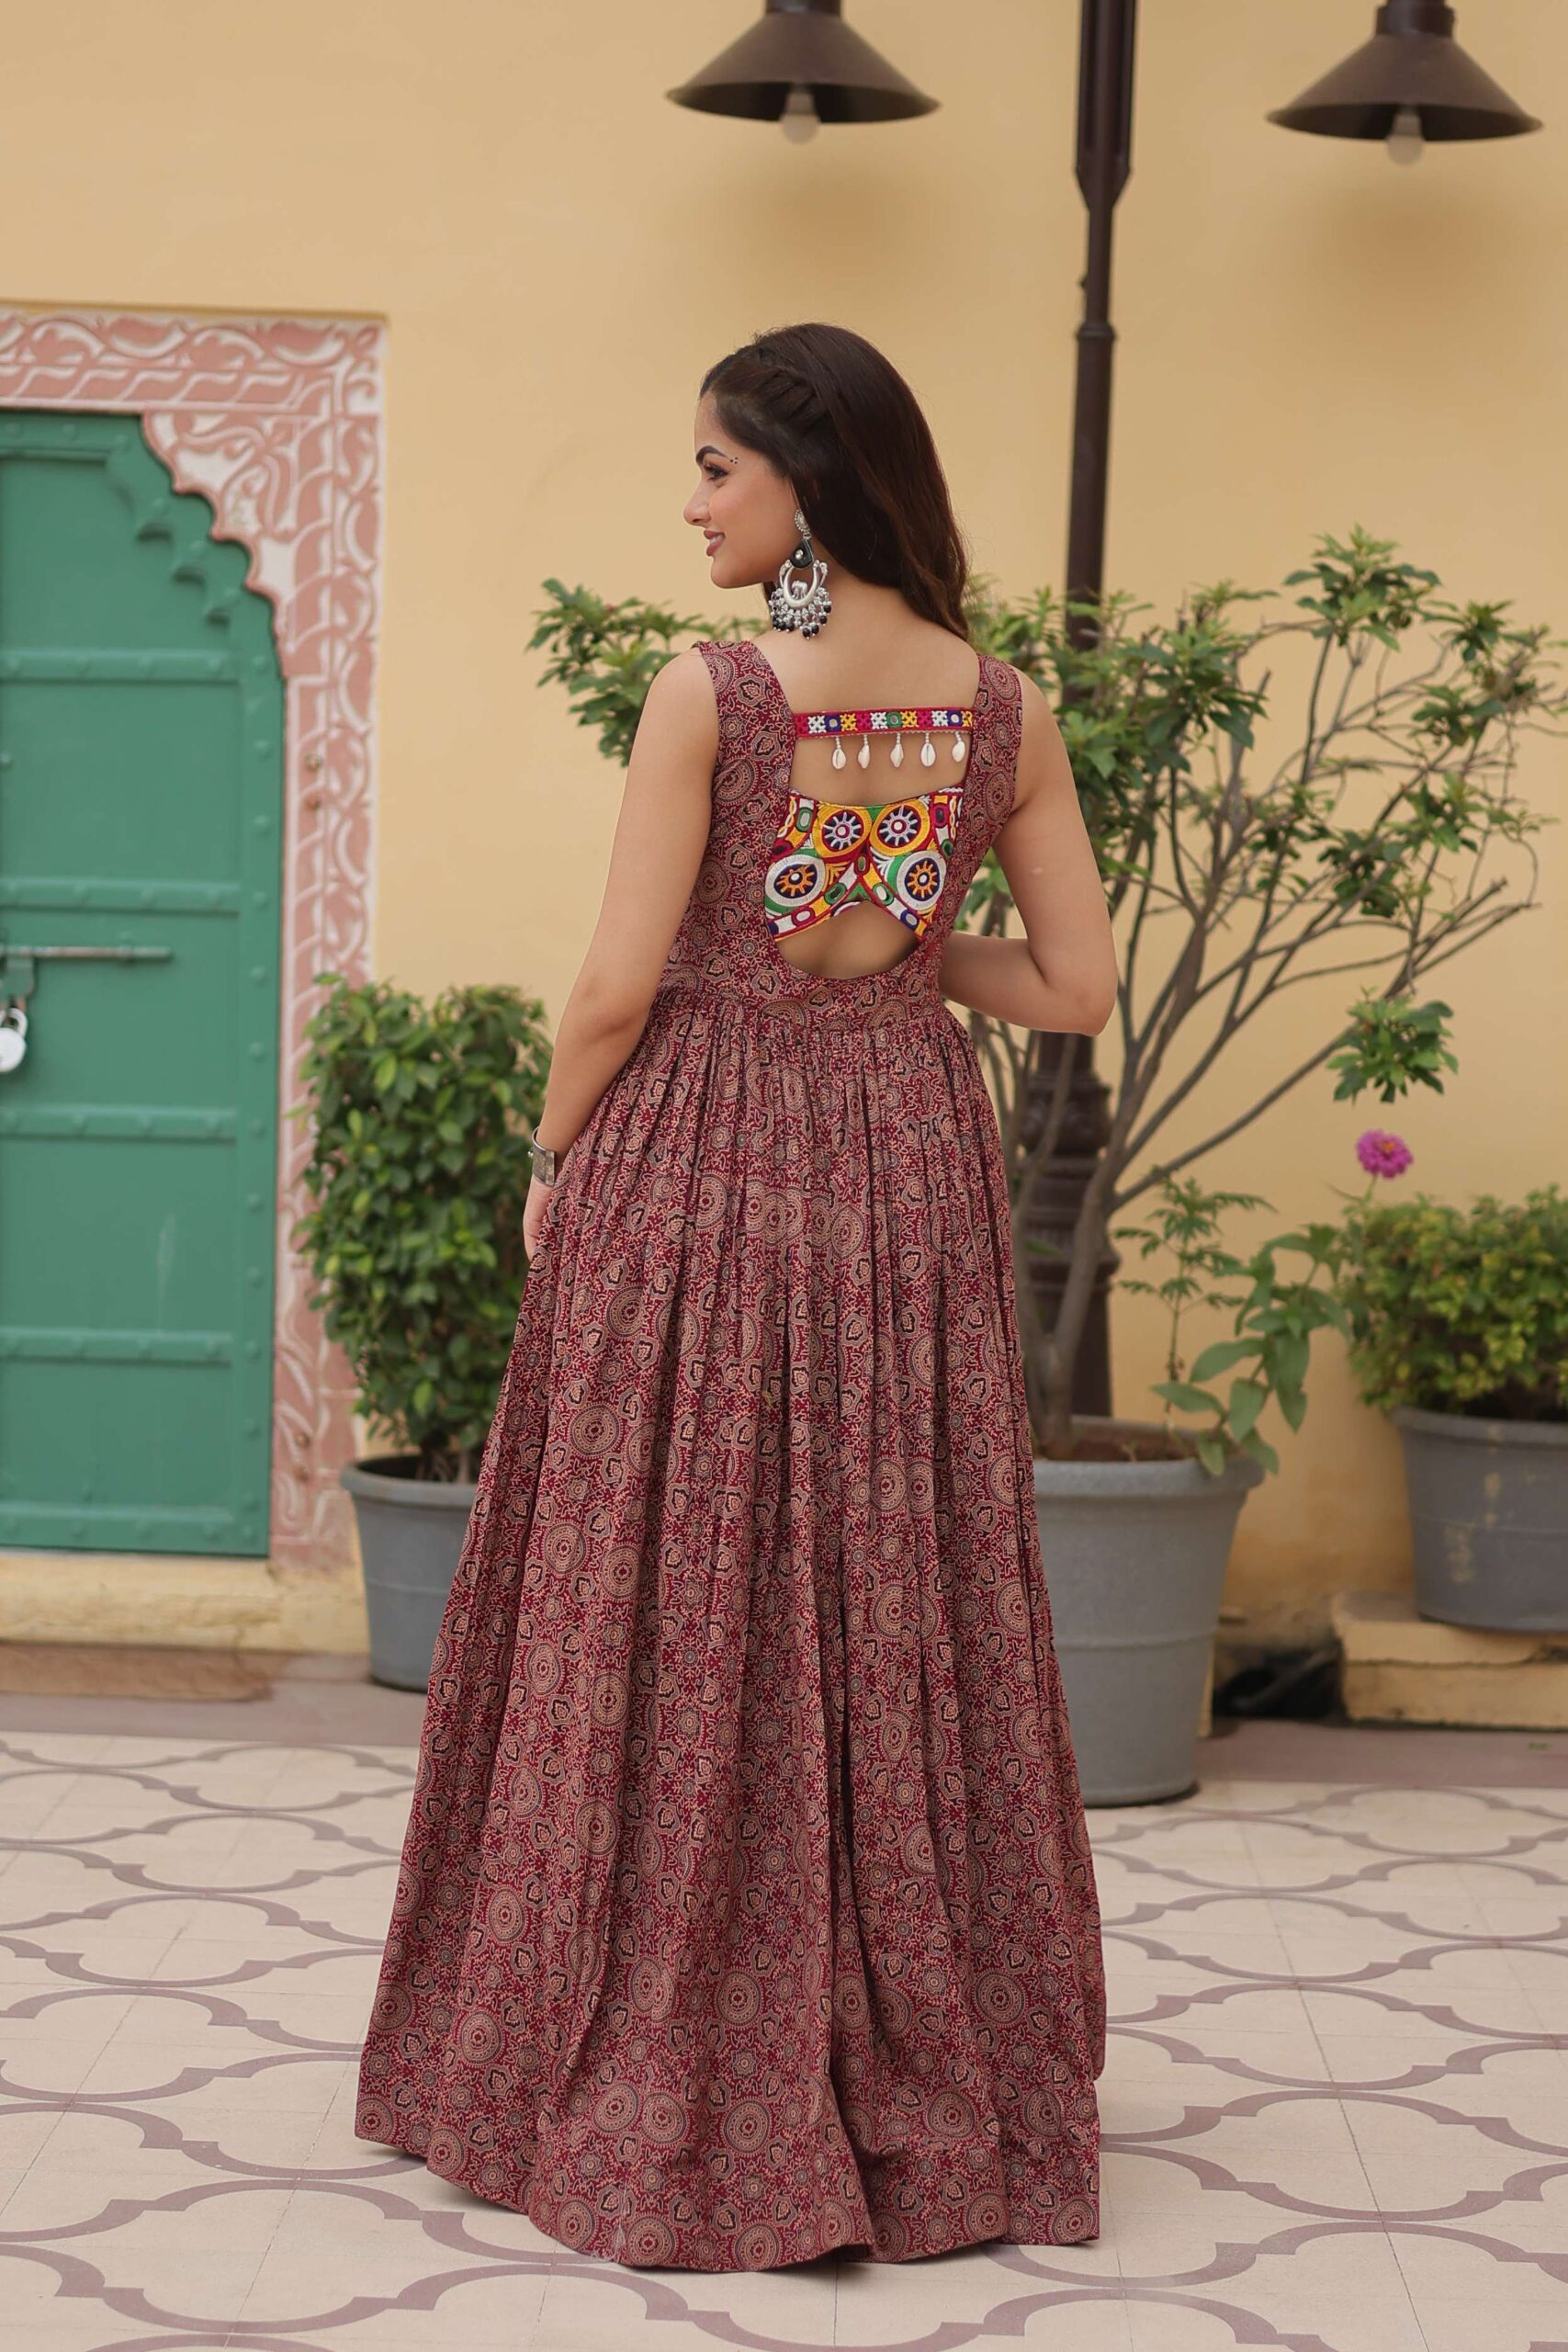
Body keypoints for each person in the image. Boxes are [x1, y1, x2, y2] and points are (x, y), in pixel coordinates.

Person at [355, 322, 1119, 2273]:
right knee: (896, 1586)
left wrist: (550, 1156)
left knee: (660, 1588)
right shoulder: (998, 707)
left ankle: (637, 2036)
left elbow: (616, 985)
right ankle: (908, 2066)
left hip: (697, 1161)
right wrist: (892, 943)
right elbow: (1068, 986)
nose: (691, 503)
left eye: (714, 466)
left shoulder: (716, 689)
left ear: (807, 478)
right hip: (904, 1171)